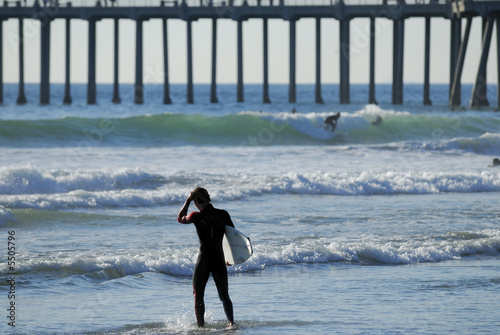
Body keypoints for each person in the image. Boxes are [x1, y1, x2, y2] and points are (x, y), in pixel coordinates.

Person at [177, 187, 236, 329]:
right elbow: (233, 236)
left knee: (198, 296)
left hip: (204, 260)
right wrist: (231, 258)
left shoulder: (195, 216)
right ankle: (231, 323)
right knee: (224, 296)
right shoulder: (223, 214)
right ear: (208, 197)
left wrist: (187, 201)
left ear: (196, 201)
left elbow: (180, 218)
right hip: (219, 259)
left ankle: (201, 328)